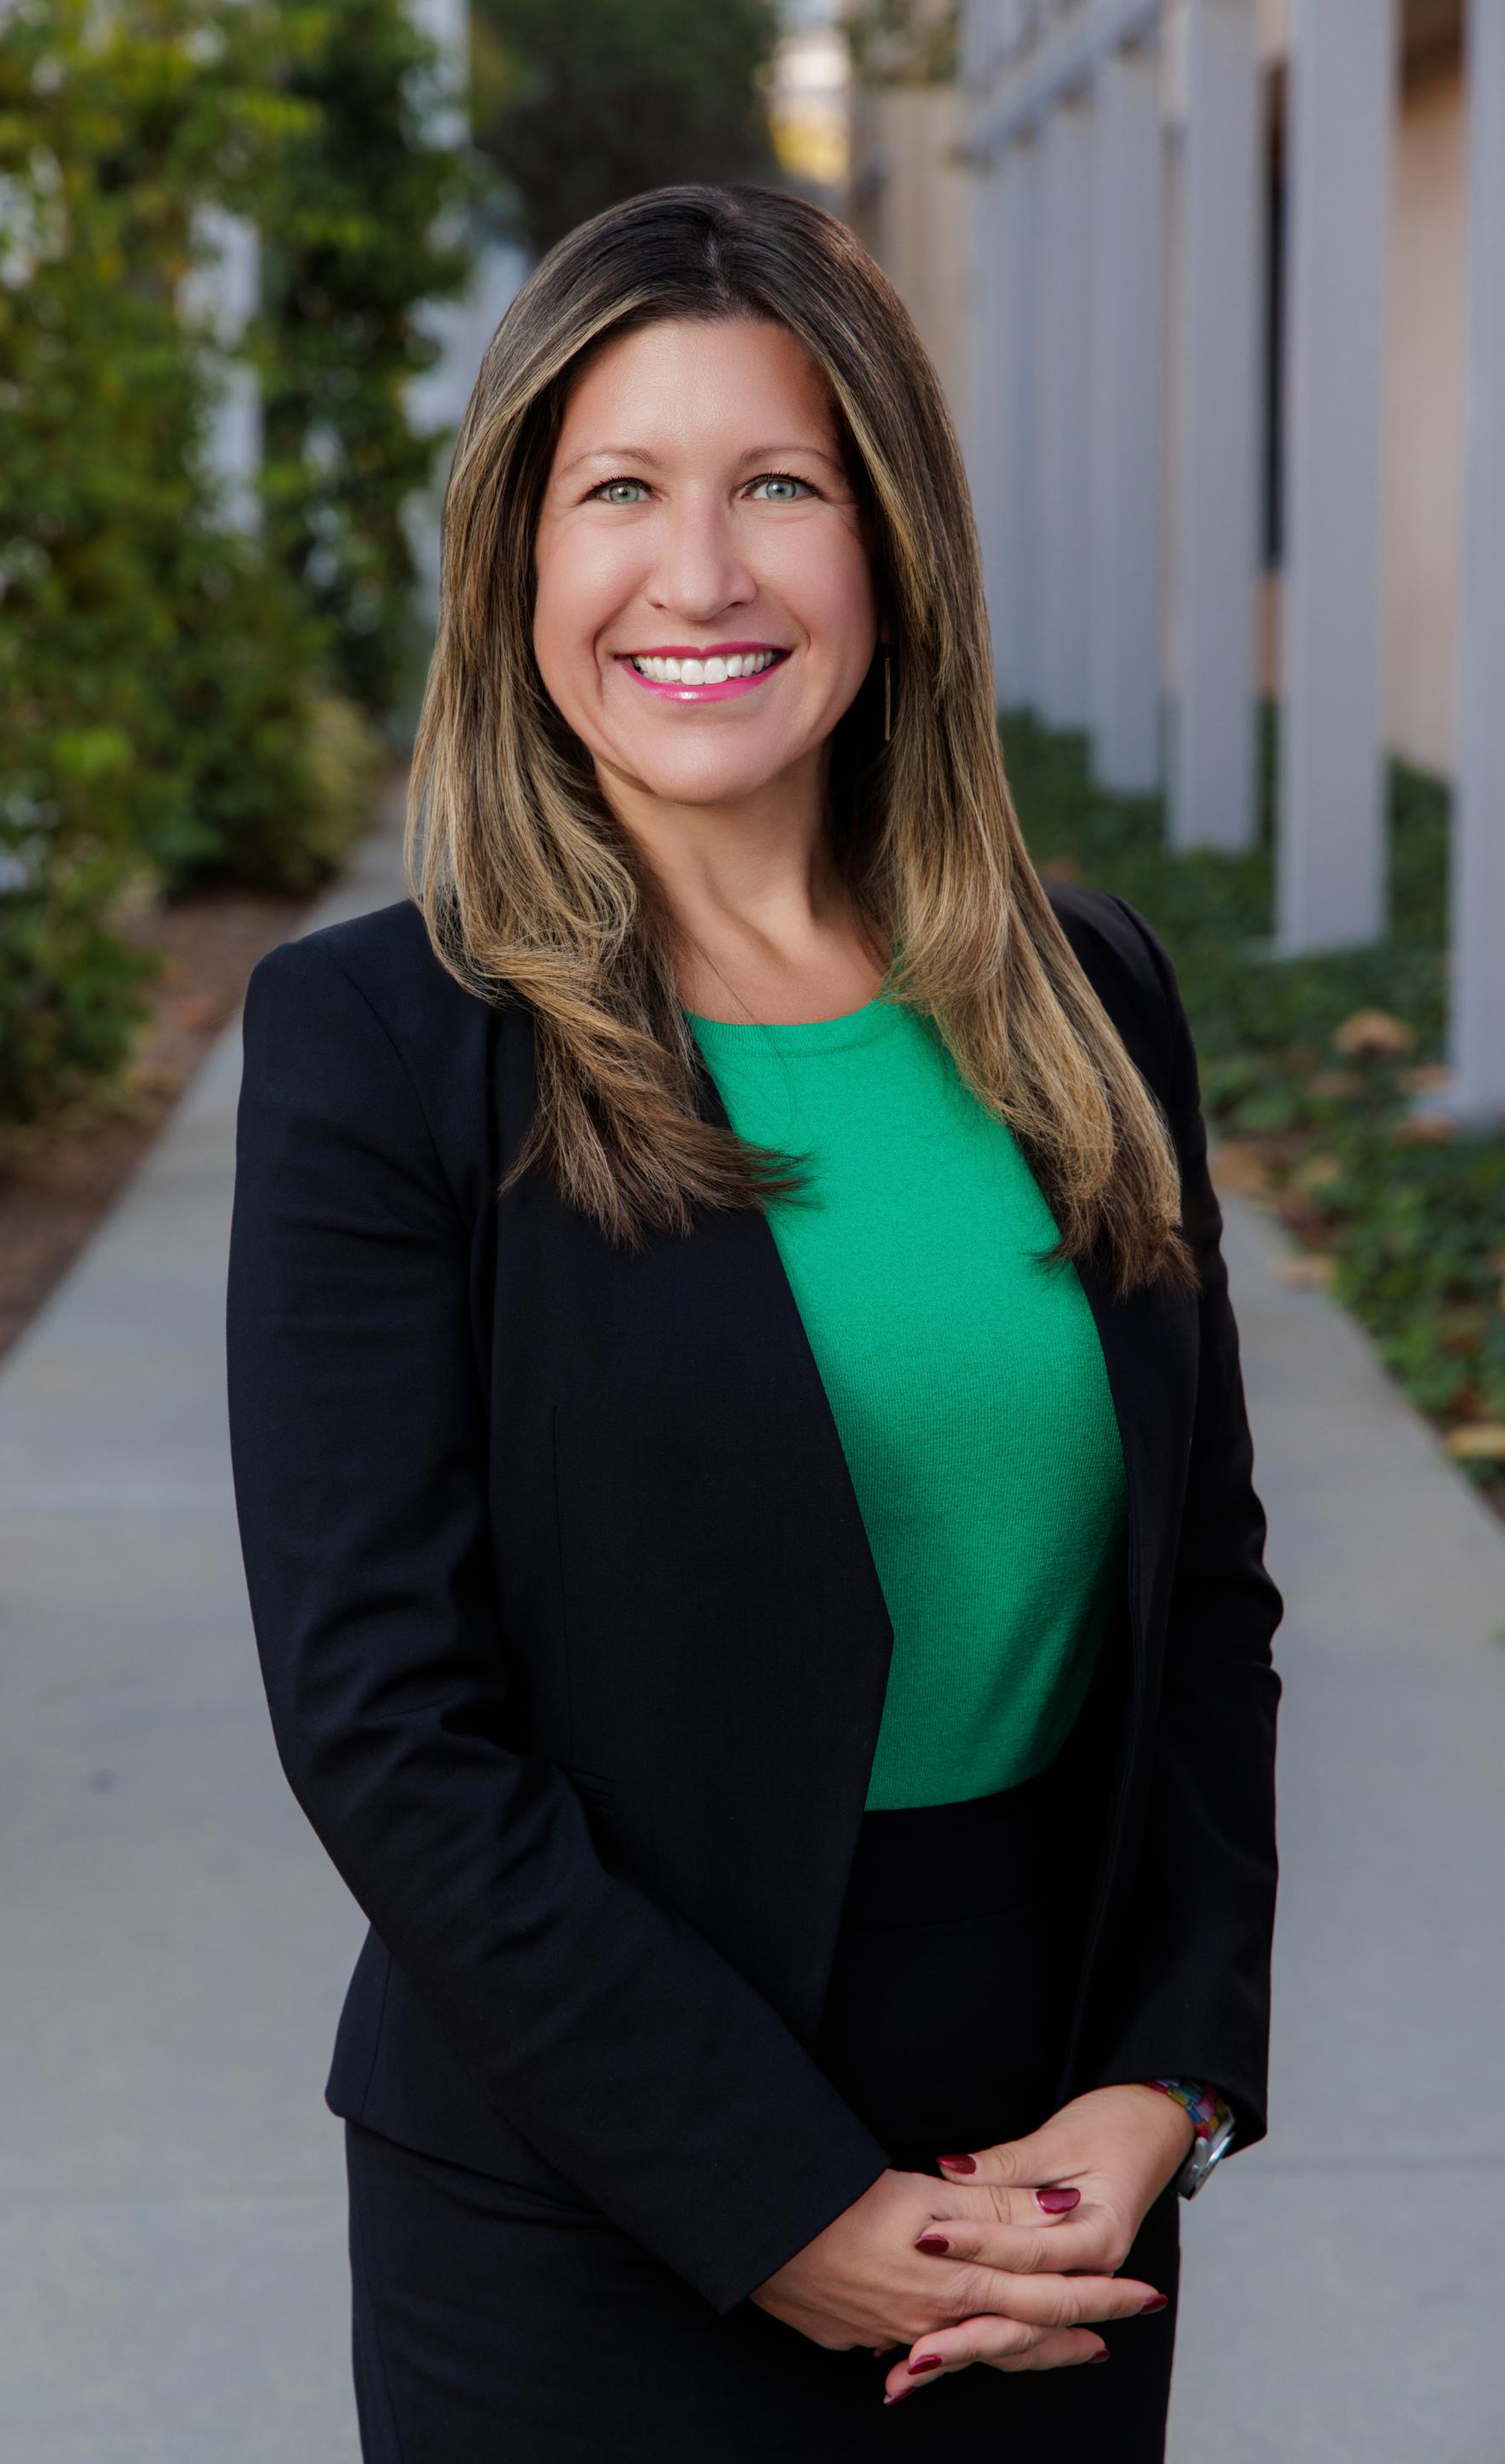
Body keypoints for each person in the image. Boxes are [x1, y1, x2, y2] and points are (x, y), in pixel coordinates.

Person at [224, 182, 1283, 2460]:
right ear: (521, 567)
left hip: (1042, 2208)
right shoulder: (380, 1045)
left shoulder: (1089, 996)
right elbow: (387, 1719)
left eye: (777, 488)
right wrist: (776, 2194)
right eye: (619, 491)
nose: (695, 577)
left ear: (890, 548)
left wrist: (1165, 2084)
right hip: (581, 2204)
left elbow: (1198, 1607)